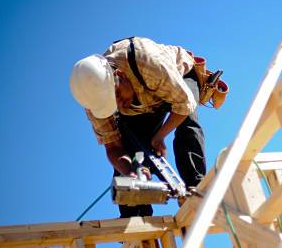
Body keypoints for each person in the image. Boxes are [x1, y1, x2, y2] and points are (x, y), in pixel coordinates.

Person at [69, 36, 224, 217]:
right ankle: (135, 220)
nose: (118, 104)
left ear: (119, 76)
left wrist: (160, 136)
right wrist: (132, 171)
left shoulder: (148, 62)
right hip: (142, 105)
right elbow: (113, 148)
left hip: (177, 78)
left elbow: (184, 105)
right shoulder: (94, 101)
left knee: (188, 126)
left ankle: (196, 187)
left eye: (117, 96)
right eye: (113, 104)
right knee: (132, 155)